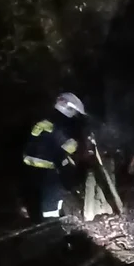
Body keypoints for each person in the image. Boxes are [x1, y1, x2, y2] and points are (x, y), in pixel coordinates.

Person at [22, 92, 86, 221]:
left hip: (29, 169)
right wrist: (78, 143)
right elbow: (67, 147)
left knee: (34, 203)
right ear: (68, 108)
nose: (74, 116)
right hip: (47, 171)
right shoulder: (59, 124)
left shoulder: (44, 120)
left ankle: (37, 224)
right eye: (74, 112)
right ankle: (52, 228)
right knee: (51, 204)